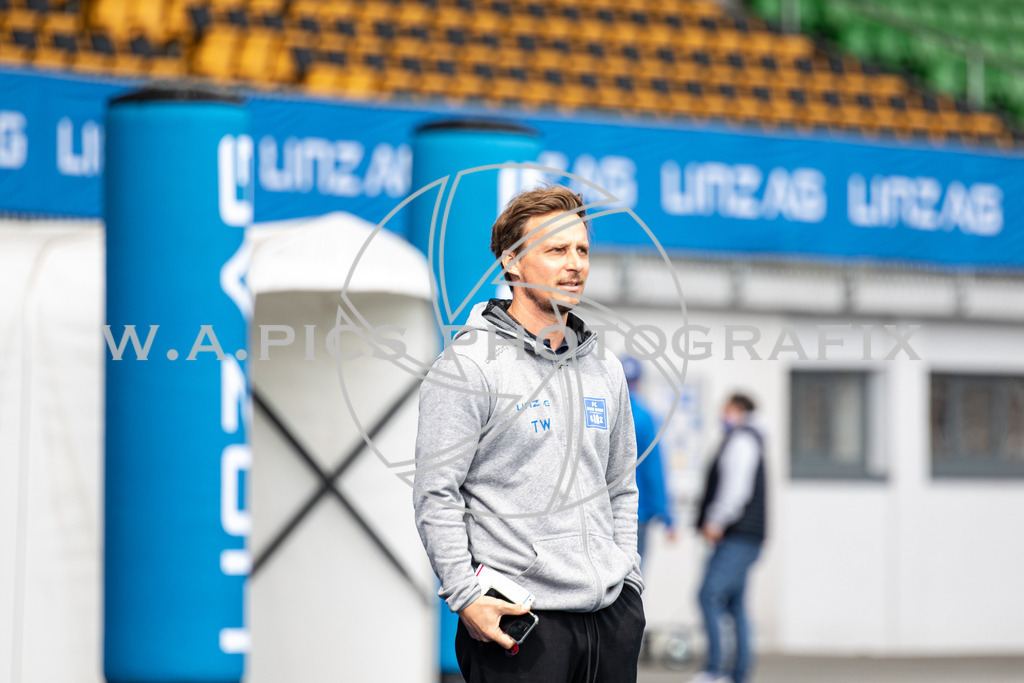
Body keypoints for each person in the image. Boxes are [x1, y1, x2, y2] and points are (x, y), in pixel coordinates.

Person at [413, 185, 646, 683]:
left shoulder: (605, 369)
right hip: (522, 622)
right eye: (557, 250)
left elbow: (621, 486)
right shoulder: (468, 366)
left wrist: (628, 580)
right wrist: (466, 598)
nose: (575, 264)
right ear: (512, 263)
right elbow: (436, 495)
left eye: (582, 250)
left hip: (610, 620)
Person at [690, 393, 766, 683]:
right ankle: (737, 674)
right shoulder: (751, 439)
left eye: (727, 409)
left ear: (738, 410)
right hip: (746, 536)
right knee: (735, 603)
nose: (723, 413)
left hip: (737, 534)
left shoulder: (742, 441)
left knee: (709, 595)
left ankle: (716, 670)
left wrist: (716, 520)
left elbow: (737, 489)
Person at [620, 355, 676, 567]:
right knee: (632, 577)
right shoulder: (644, 416)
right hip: (637, 512)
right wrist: (666, 514)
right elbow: (653, 469)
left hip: (603, 513)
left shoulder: (599, 412)